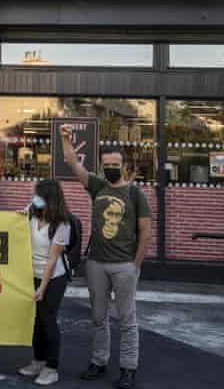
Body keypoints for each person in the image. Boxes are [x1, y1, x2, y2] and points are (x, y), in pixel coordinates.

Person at [60, 124, 152, 389]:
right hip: (96, 264)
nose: (111, 167)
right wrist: (65, 138)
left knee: (127, 319)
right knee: (98, 318)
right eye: (106, 163)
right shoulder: (98, 186)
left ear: (124, 165)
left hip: (124, 265)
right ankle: (99, 361)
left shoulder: (136, 194)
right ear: (102, 166)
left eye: (115, 163)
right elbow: (72, 163)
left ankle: (128, 368)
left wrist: (136, 266)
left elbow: (145, 233)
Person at [16, 179, 72, 386]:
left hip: (54, 277)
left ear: (49, 198)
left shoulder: (62, 224)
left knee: (48, 320)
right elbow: (14, 219)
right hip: (32, 273)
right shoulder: (32, 212)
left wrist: (42, 287)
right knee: (35, 320)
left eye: (37, 194)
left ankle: (51, 367)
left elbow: (52, 260)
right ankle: (38, 361)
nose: (34, 197)